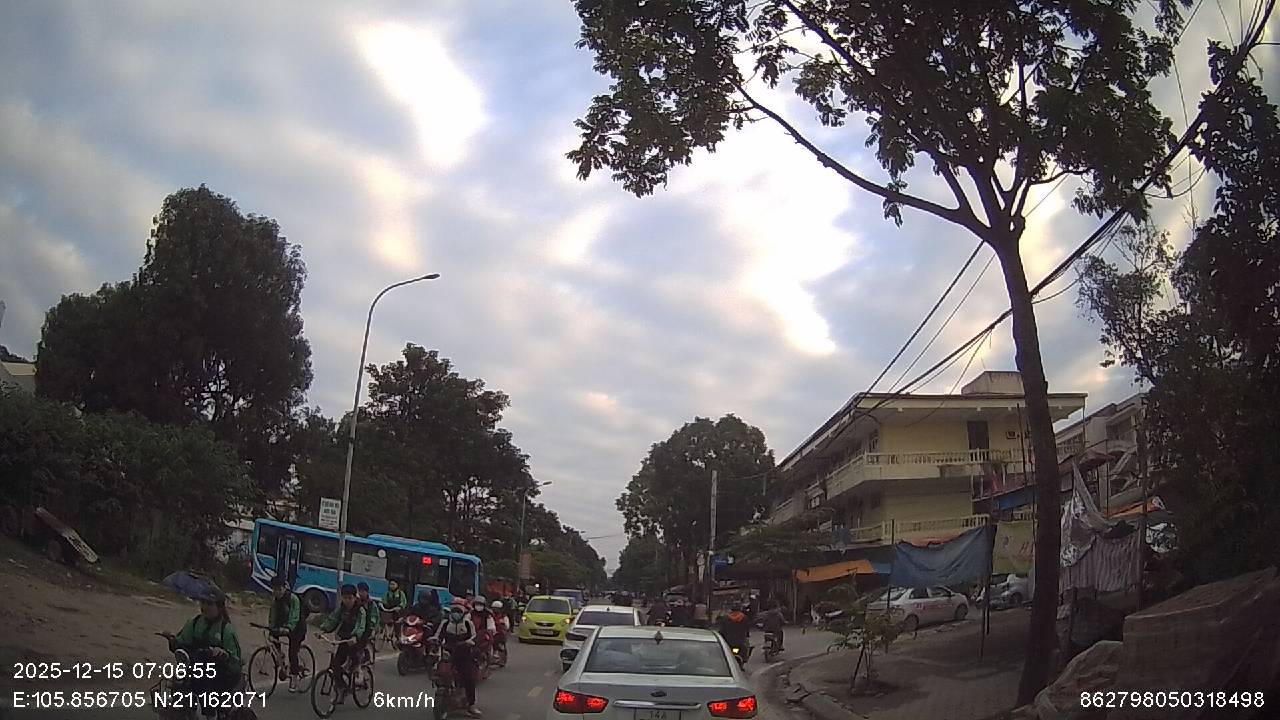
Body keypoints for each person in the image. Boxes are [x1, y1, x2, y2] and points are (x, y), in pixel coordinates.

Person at [170, 587, 242, 715]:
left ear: (219, 607)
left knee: (206, 683)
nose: (204, 607)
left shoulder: (226, 630)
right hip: (196, 668)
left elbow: (235, 664)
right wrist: (172, 641)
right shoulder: (194, 623)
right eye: (202, 602)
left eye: (209, 603)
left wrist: (224, 655)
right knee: (178, 680)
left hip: (221, 675)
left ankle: (210, 714)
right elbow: (182, 643)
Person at [318, 584, 366, 704]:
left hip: (356, 639)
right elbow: (333, 619)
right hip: (344, 639)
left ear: (355, 597)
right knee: (335, 665)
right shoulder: (341, 608)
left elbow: (361, 625)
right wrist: (323, 630)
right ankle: (342, 687)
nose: (347, 601)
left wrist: (355, 636)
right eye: (345, 598)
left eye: (350, 598)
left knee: (354, 660)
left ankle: (358, 671)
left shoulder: (360, 610)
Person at [433, 599, 481, 718]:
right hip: (448, 654)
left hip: (464, 655)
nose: (456, 613)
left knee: (469, 679)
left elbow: (474, 637)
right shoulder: (445, 623)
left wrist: (468, 643)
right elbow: (437, 635)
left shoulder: (468, 624)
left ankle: (471, 705)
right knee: (439, 673)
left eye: (458, 611)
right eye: (454, 610)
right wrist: (434, 640)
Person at [268, 576, 306, 692]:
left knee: (292, 652)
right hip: (284, 626)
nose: (277, 592)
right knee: (273, 637)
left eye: (280, 589)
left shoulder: (293, 598)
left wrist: (289, 627)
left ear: (285, 588)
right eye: (275, 589)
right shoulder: (275, 600)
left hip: (298, 628)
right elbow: (272, 615)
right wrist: (271, 627)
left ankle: (294, 677)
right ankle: (280, 657)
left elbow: (294, 615)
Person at [356, 582, 379, 665]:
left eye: (362, 591)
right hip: (357, 627)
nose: (360, 593)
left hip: (368, 628)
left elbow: (374, 618)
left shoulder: (371, 604)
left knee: (362, 643)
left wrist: (372, 629)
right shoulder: (356, 601)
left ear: (367, 592)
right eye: (359, 591)